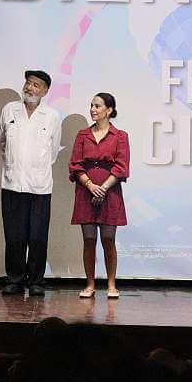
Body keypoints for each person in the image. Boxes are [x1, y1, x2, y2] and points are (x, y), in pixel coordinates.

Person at [0, 70, 61, 296]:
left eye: (36, 85)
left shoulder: (52, 116)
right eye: (28, 83)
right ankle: (14, 279)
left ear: (45, 91)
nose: (30, 88)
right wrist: (13, 165)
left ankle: (36, 281)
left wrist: (35, 167)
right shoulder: (9, 110)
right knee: (14, 236)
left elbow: (53, 152)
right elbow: (3, 144)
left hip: (39, 186)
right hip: (12, 184)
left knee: (37, 237)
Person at [68, 93, 129, 299]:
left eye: (97, 106)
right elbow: (75, 164)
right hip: (86, 191)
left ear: (109, 110)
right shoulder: (82, 135)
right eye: (91, 105)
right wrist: (90, 185)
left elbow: (121, 166)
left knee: (108, 238)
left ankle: (111, 284)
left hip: (110, 192)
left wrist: (102, 188)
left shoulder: (120, 136)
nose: (93, 109)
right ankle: (90, 284)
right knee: (89, 238)